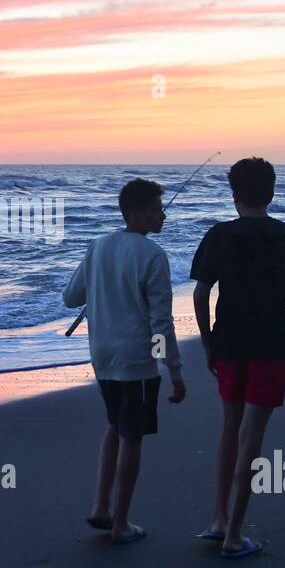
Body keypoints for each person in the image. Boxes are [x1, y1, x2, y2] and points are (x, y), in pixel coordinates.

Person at [190, 157, 285, 558]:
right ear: (271, 193)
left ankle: (219, 520)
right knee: (251, 438)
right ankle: (235, 535)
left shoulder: (219, 235)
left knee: (229, 429)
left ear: (234, 194)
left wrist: (207, 343)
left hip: (228, 346)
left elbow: (201, 293)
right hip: (269, 347)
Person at [63, 177, 187, 544]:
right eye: (155, 209)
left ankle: (101, 506)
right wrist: (176, 372)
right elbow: (161, 322)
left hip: (102, 356)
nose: (162, 216)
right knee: (132, 438)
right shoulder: (153, 256)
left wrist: (104, 287)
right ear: (136, 213)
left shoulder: (98, 246)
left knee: (116, 425)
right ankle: (120, 523)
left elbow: (71, 297)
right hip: (137, 362)